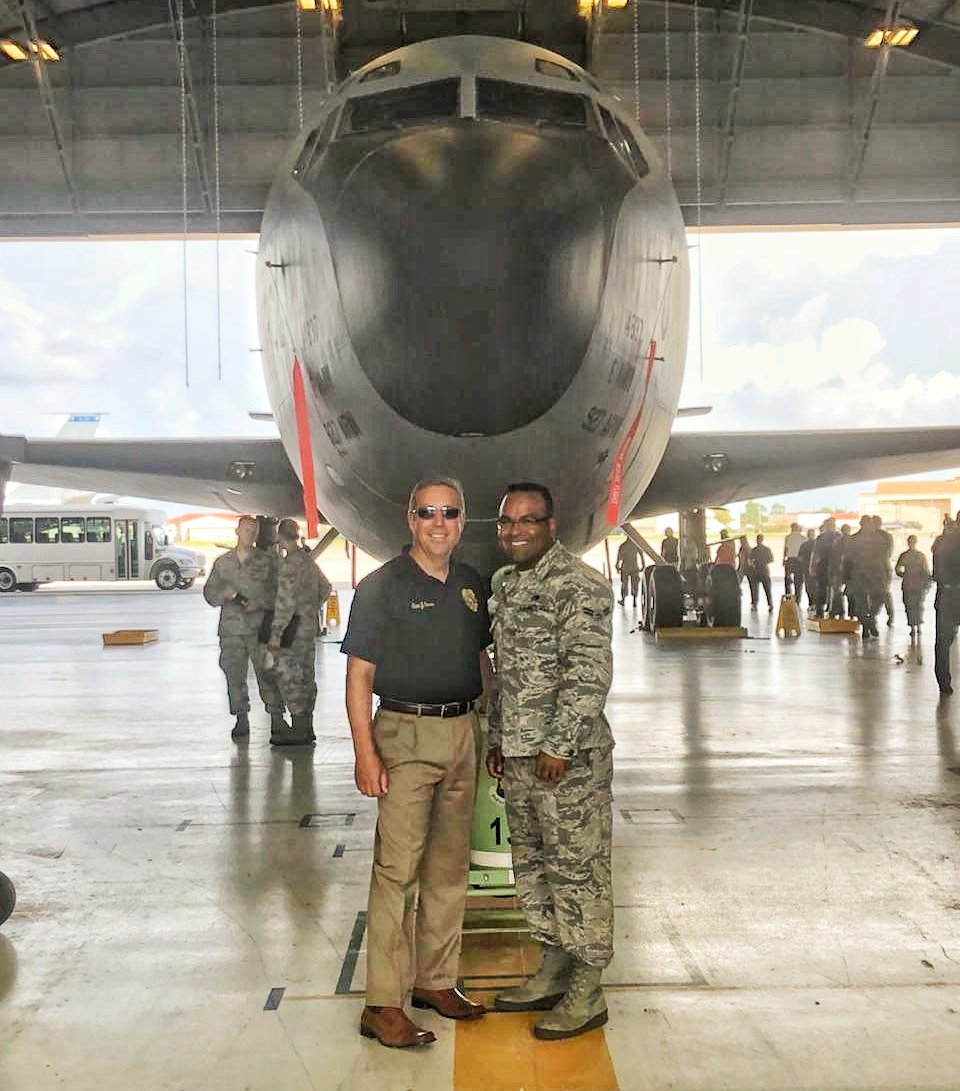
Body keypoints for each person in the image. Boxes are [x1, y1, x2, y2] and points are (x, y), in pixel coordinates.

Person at [341, 478, 491, 1048]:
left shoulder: (471, 584)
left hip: (461, 731)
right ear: (409, 519)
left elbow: (479, 657)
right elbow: (359, 676)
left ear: (461, 519)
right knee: (396, 873)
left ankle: (435, 981)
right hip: (404, 734)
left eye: (449, 512)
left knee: (451, 868)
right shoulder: (382, 587)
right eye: (427, 512)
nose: (438, 522)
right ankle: (382, 1003)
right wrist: (365, 753)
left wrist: (489, 725)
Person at [486, 482, 614, 1042]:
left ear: (551, 526)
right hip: (518, 756)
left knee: (577, 869)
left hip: (568, 762)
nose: (515, 531)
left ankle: (588, 987)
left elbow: (589, 674)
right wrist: (497, 737)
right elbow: (504, 671)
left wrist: (559, 745)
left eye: (528, 521)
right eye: (507, 522)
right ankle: (554, 966)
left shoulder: (578, 586)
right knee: (533, 867)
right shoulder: (505, 584)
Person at [203, 514, 286, 740]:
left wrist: (260, 603)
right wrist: (225, 595)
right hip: (231, 631)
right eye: (246, 530)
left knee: (267, 674)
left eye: (254, 531)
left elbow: (280, 592)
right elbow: (209, 594)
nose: (250, 534)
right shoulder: (223, 563)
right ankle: (241, 717)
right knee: (234, 674)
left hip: (259, 630)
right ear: (237, 532)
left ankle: (277, 717)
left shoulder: (268, 561)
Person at [266, 518, 332, 746]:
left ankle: (298, 727)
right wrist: (310, 607)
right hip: (308, 626)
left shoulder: (289, 564)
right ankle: (308, 726)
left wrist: (276, 633)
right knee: (306, 675)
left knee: (290, 676)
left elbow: (284, 602)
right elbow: (326, 587)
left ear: (281, 538)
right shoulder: (307, 560)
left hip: (291, 628)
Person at [844, 515, 886, 640]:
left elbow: (847, 560)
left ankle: (867, 625)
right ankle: (870, 621)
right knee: (878, 599)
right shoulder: (880, 539)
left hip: (859, 575)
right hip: (875, 574)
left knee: (861, 604)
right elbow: (884, 557)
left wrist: (846, 577)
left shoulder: (853, 539)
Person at [932, 515, 960, 695]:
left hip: (947, 593)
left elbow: (936, 569)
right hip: (950, 593)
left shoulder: (942, 541)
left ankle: (943, 682)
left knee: (942, 642)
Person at [895, 535, 930, 636]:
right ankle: (918, 626)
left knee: (909, 606)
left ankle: (913, 628)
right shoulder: (921, 555)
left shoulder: (904, 555)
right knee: (918, 605)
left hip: (908, 584)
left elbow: (897, 569)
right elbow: (926, 571)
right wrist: (927, 584)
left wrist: (904, 575)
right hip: (918, 584)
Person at [809, 518, 839, 618]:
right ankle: (833, 612)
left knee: (821, 590)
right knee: (835, 590)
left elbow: (815, 554)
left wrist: (812, 567)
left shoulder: (821, 538)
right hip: (835, 566)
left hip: (823, 566)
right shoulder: (838, 537)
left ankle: (820, 612)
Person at [873, 515, 896, 626]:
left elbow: (888, 552)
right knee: (883, 592)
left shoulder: (882, 536)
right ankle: (887, 614)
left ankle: (881, 613)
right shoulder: (886, 536)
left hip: (880, 568)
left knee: (883, 592)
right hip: (882, 567)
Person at [747, 533, 774, 609]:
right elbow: (771, 559)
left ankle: (755, 604)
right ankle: (769, 604)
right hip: (764, 571)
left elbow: (750, 561)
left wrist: (755, 563)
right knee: (767, 589)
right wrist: (763, 561)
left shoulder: (754, 550)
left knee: (755, 589)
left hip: (756, 571)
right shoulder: (766, 549)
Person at [615, 536, 641, 606]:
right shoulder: (636, 545)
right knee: (635, 584)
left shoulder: (623, 545)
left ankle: (623, 600)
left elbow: (619, 557)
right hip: (634, 566)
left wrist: (617, 566)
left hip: (625, 566)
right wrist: (643, 566)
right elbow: (641, 555)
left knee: (624, 584)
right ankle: (634, 601)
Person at [795, 528, 815, 608]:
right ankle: (815, 603)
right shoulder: (817, 543)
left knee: (808, 587)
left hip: (806, 568)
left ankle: (811, 603)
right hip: (815, 569)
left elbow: (799, 557)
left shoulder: (804, 545)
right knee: (815, 587)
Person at [783, 523, 804, 597]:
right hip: (799, 560)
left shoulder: (788, 537)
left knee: (787, 580)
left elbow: (786, 549)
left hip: (790, 559)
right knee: (798, 581)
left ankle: (789, 596)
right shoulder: (802, 537)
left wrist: (784, 559)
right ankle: (798, 598)